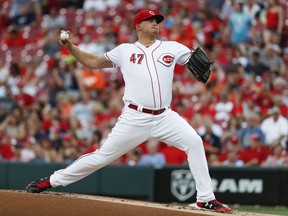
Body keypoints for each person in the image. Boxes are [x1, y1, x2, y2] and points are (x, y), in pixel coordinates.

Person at [26, 10, 232, 213]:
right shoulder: (124, 51)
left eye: (157, 21)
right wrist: (70, 46)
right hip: (135, 117)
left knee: (194, 142)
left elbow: (197, 61)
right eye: (150, 20)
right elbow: (94, 62)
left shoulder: (172, 47)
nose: (155, 24)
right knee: (101, 157)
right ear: (138, 26)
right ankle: (52, 180)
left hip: (164, 116)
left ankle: (205, 198)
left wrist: (211, 68)